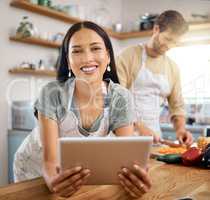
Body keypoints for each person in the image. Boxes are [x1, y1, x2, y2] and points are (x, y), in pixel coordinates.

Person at [13, 21, 152, 199]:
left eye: (95, 48)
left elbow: (124, 161)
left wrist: (133, 178)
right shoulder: (52, 93)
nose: (87, 58)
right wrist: (55, 184)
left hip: (74, 177)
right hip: (35, 170)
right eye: (77, 51)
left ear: (108, 56)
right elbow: (50, 163)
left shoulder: (121, 98)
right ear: (68, 61)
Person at [116, 10, 193, 145]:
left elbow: (177, 106)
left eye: (175, 42)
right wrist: (138, 127)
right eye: (168, 39)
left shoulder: (173, 68)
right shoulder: (128, 56)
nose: (169, 46)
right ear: (156, 29)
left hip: (155, 138)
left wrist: (181, 130)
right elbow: (116, 99)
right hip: (125, 135)